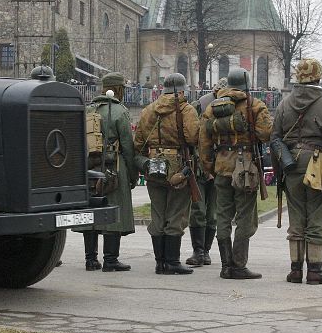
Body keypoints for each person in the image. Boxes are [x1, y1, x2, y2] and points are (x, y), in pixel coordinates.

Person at [271, 58, 322, 285]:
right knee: (318, 214)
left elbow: (274, 137)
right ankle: (315, 270)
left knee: (296, 215)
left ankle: (295, 270)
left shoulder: (284, 104)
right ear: (319, 76)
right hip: (318, 164)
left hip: (291, 164)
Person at [198, 68, 272, 279]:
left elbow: (203, 141)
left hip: (221, 167)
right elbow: (266, 134)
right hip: (246, 169)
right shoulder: (255, 105)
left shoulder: (212, 107)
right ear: (246, 83)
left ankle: (225, 266)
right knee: (245, 218)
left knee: (222, 217)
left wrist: (210, 167)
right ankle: (238, 265)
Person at [133, 72, 199, 275]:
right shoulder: (186, 109)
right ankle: (172, 261)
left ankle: (160, 262)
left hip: (153, 167)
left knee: (158, 214)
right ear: (182, 89)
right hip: (178, 167)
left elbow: (138, 143)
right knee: (176, 214)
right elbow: (193, 137)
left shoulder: (148, 110)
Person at [75, 72, 137, 272]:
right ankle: (110, 260)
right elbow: (127, 146)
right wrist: (133, 174)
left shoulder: (88, 109)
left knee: (91, 211)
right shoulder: (120, 111)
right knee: (113, 209)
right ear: (118, 89)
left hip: (89, 166)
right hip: (114, 166)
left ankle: (90, 259)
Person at [185, 77, 227, 267]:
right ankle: (198, 251)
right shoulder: (200, 105)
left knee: (213, 214)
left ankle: (205, 251)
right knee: (198, 210)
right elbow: (192, 136)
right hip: (200, 165)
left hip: (220, 165)